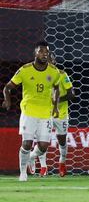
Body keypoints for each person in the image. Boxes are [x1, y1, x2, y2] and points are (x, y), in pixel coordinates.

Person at [2, 41, 60, 182]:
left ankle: (31, 158)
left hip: (45, 113)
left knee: (43, 146)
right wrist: (7, 99)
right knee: (27, 143)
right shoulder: (25, 70)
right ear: (35, 53)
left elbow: (57, 89)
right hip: (29, 111)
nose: (44, 54)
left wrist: (55, 106)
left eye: (46, 52)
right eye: (41, 51)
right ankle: (23, 173)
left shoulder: (54, 71)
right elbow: (8, 87)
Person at [35, 52, 75, 177]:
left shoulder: (62, 75)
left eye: (50, 60)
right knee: (42, 140)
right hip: (44, 113)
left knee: (62, 141)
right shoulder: (38, 75)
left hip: (61, 114)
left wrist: (57, 100)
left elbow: (71, 94)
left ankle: (62, 163)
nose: (48, 62)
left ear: (54, 62)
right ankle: (43, 167)